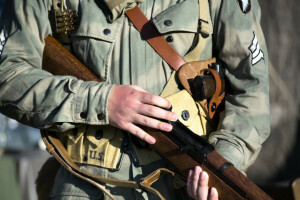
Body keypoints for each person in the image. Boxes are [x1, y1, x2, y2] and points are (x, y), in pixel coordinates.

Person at [0, 0, 269, 199]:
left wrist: (216, 170)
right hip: (85, 185)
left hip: (184, 186)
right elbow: (8, 75)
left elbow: (251, 89)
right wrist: (102, 101)